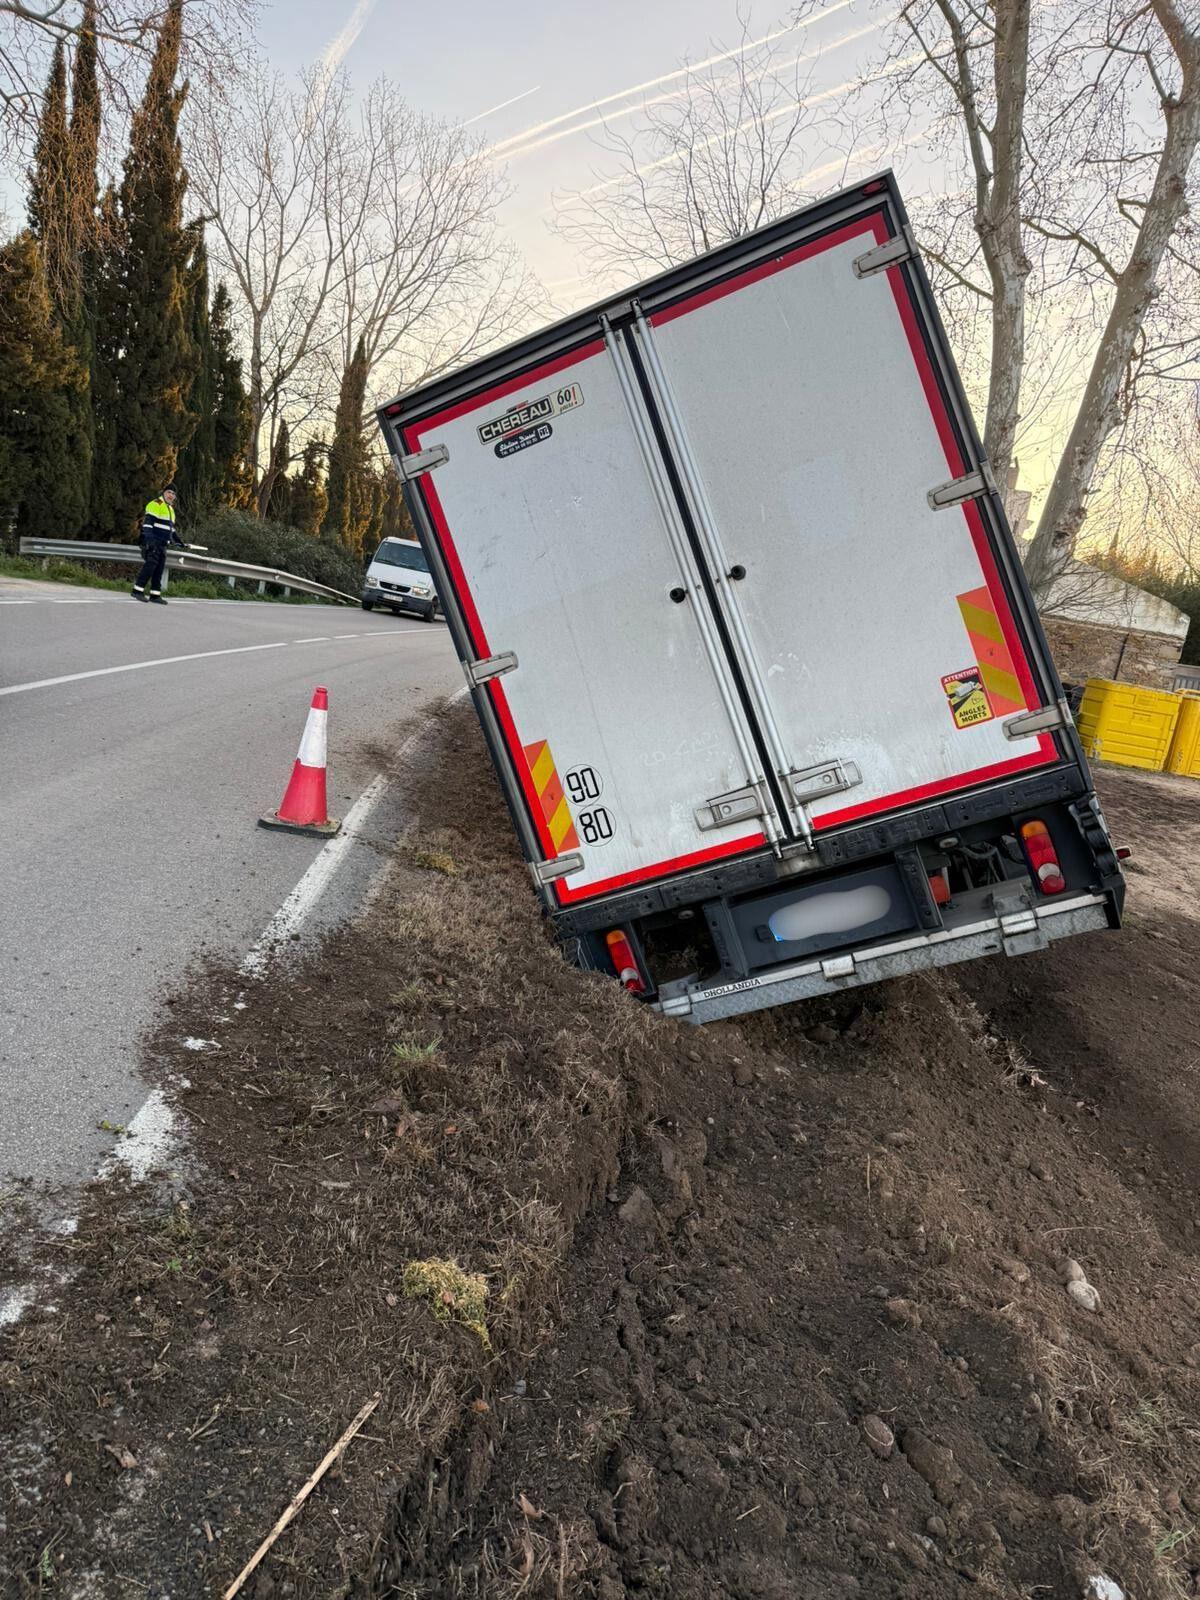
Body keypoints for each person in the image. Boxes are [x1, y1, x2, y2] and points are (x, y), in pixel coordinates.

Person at [131, 486, 183, 604]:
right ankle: (137, 590)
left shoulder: (170, 509)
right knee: (150, 567)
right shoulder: (156, 504)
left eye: (173, 494)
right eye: (169, 492)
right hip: (154, 542)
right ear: (163, 493)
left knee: (158, 569)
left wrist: (179, 542)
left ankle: (155, 595)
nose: (171, 495)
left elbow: (171, 529)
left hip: (163, 544)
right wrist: (150, 540)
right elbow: (148, 524)